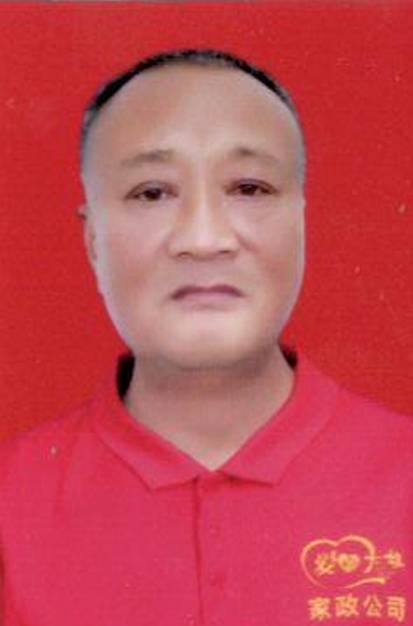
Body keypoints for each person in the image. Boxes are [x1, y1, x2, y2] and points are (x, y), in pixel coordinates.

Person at [0, 48, 411, 626]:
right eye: (152, 193)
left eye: (249, 188)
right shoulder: (11, 500)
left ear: (300, 222)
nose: (203, 238)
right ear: (93, 240)